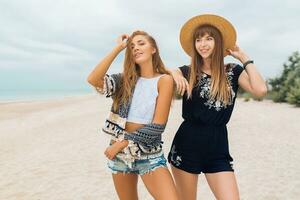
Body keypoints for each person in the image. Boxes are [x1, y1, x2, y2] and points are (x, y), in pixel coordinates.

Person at [167, 14, 267, 200]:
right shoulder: (187, 71)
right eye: (198, 40)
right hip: (187, 143)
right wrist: (175, 74)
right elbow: (166, 70)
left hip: (218, 145)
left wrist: (244, 57)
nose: (203, 44)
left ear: (218, 42)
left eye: (209, 38)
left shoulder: (234, 71)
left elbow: (260, 90)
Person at [87, 30, 178, 200]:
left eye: (141, 43)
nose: (135, 48)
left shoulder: (165, 80)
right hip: (120, 157)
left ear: (153, 49)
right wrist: (118, 48)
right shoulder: (124, 81)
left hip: (149, 153)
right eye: (132, 46)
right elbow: (93, 79)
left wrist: (123, 143)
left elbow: (158, 126)